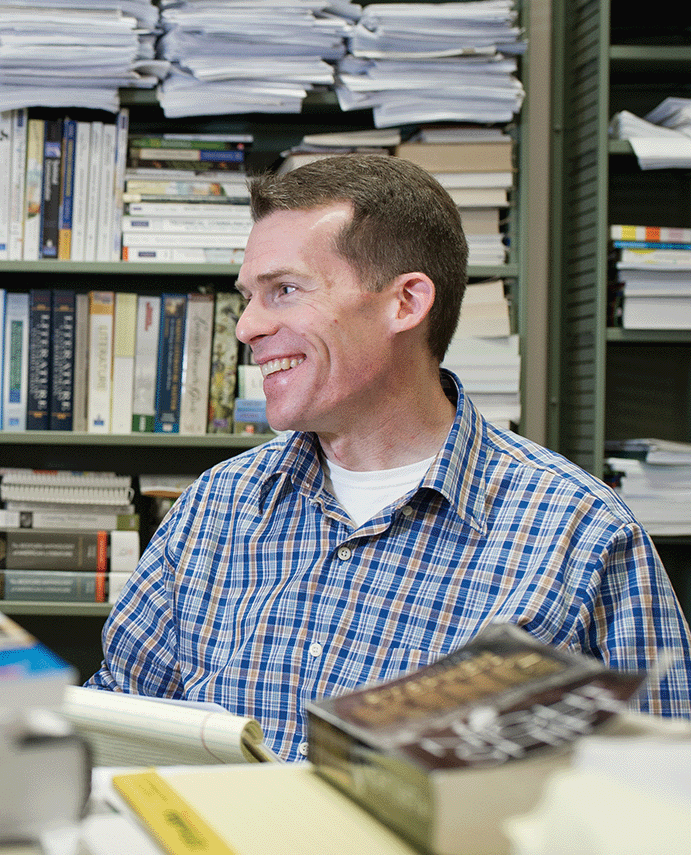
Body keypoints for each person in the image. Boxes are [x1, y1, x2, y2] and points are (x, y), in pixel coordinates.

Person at [86, 154, 691, 762]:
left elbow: (659, 800)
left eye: (285, 291)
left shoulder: (581, 535)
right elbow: (116, 726)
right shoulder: (218, 506)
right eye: (249, 297)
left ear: (405, 303)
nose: (246, 326)